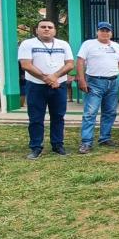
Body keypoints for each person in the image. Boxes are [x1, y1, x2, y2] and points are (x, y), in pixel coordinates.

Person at [18, 19, 74, 159]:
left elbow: (70, 64)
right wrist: (46, 78)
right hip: (36, 86)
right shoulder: (28, 44)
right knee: (36, 118)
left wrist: (55, 76)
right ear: (36, 30)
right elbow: (26, 64)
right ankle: (36, 147)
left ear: (55, 30)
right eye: (43, 27)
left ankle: (57, 145)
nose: (46, 29)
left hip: (58, 86)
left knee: (58, 117)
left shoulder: (63, 44)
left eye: (50, 27)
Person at [76, 21, 119, 154]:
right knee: (90, 113)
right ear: (97, 32)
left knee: (110, 112)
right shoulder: (88, 44)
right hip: (94, 82)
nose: (105, 33)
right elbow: (80, 62)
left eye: (107, 31)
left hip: (113, 82)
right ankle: (86, 142)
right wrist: (81, 79)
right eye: (102, 30)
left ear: (111, 33)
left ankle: (105, 138)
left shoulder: (116, 46)